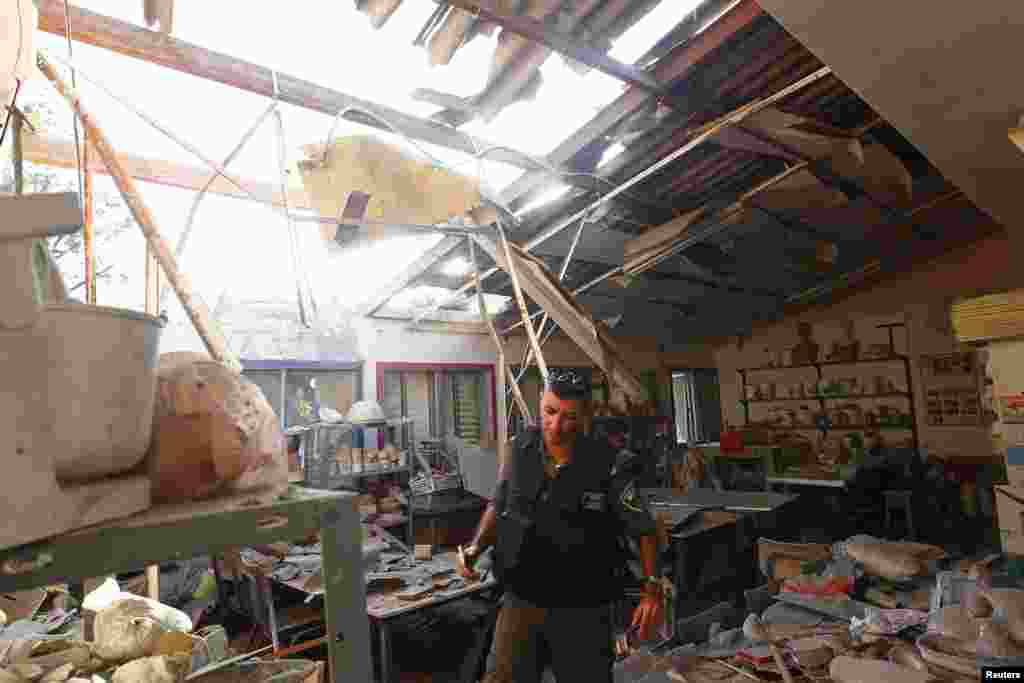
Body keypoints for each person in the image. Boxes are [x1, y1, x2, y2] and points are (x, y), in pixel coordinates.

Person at [457, 371, 663, 683]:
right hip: (521, 598)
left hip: (582, 608)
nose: (555, 426)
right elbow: (499, 504)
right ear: (540, 402)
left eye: (568, 417)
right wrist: (476, 547)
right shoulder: (520, 448)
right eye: (550, 412)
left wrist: (652, 591)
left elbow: (644, 528)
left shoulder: (611, 462)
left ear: (585, 416)